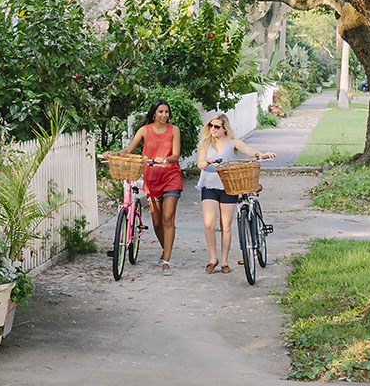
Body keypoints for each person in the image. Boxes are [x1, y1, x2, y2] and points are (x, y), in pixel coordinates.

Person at [196, 113, 275, 274]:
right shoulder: (205, 144)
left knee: (226, 225)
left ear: (225, 129)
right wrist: (208, 162)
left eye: (217, 126)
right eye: (210, 126)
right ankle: (213, 258)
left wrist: (261, 154)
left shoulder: (233, 142)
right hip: (209, 186)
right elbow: (200, 163)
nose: (213, 129)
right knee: (209, 224)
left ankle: (224, 261)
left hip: (229, 186)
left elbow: (248, 150)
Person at [111, 99, 183, 276]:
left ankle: (166, 260)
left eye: (166, 112)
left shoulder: (174, 130)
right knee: (157, 223)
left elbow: (175, 155)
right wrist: (113, 154)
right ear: (154, 113)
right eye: (160, 112)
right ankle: (166, 249)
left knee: (168, 218)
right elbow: (128, 150)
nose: (164, 115)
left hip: (170, 175)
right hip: (152, 178)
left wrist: (164, 159)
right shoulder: (144, 130)